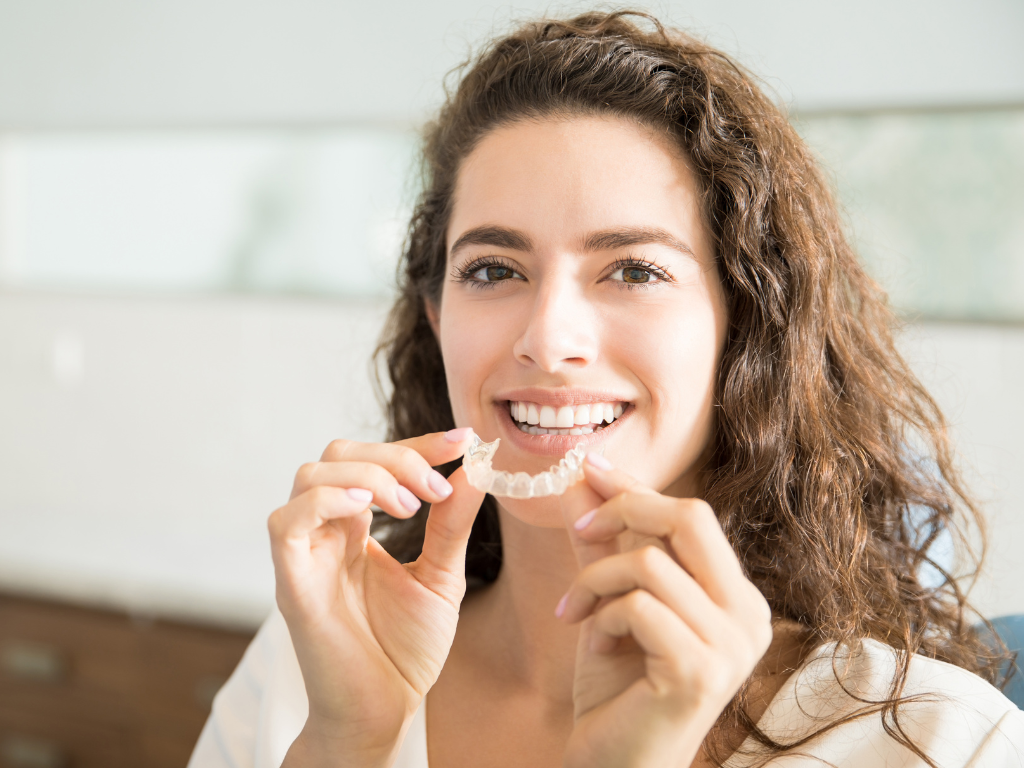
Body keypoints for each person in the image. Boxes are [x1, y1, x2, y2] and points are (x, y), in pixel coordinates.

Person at [188, 11, 1024, 768]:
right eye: (492, 269)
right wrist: (345, 746)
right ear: (436, 317)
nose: (548, 340)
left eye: (633, 269)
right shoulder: (312, 664)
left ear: (746, 329)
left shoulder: (944, 743)